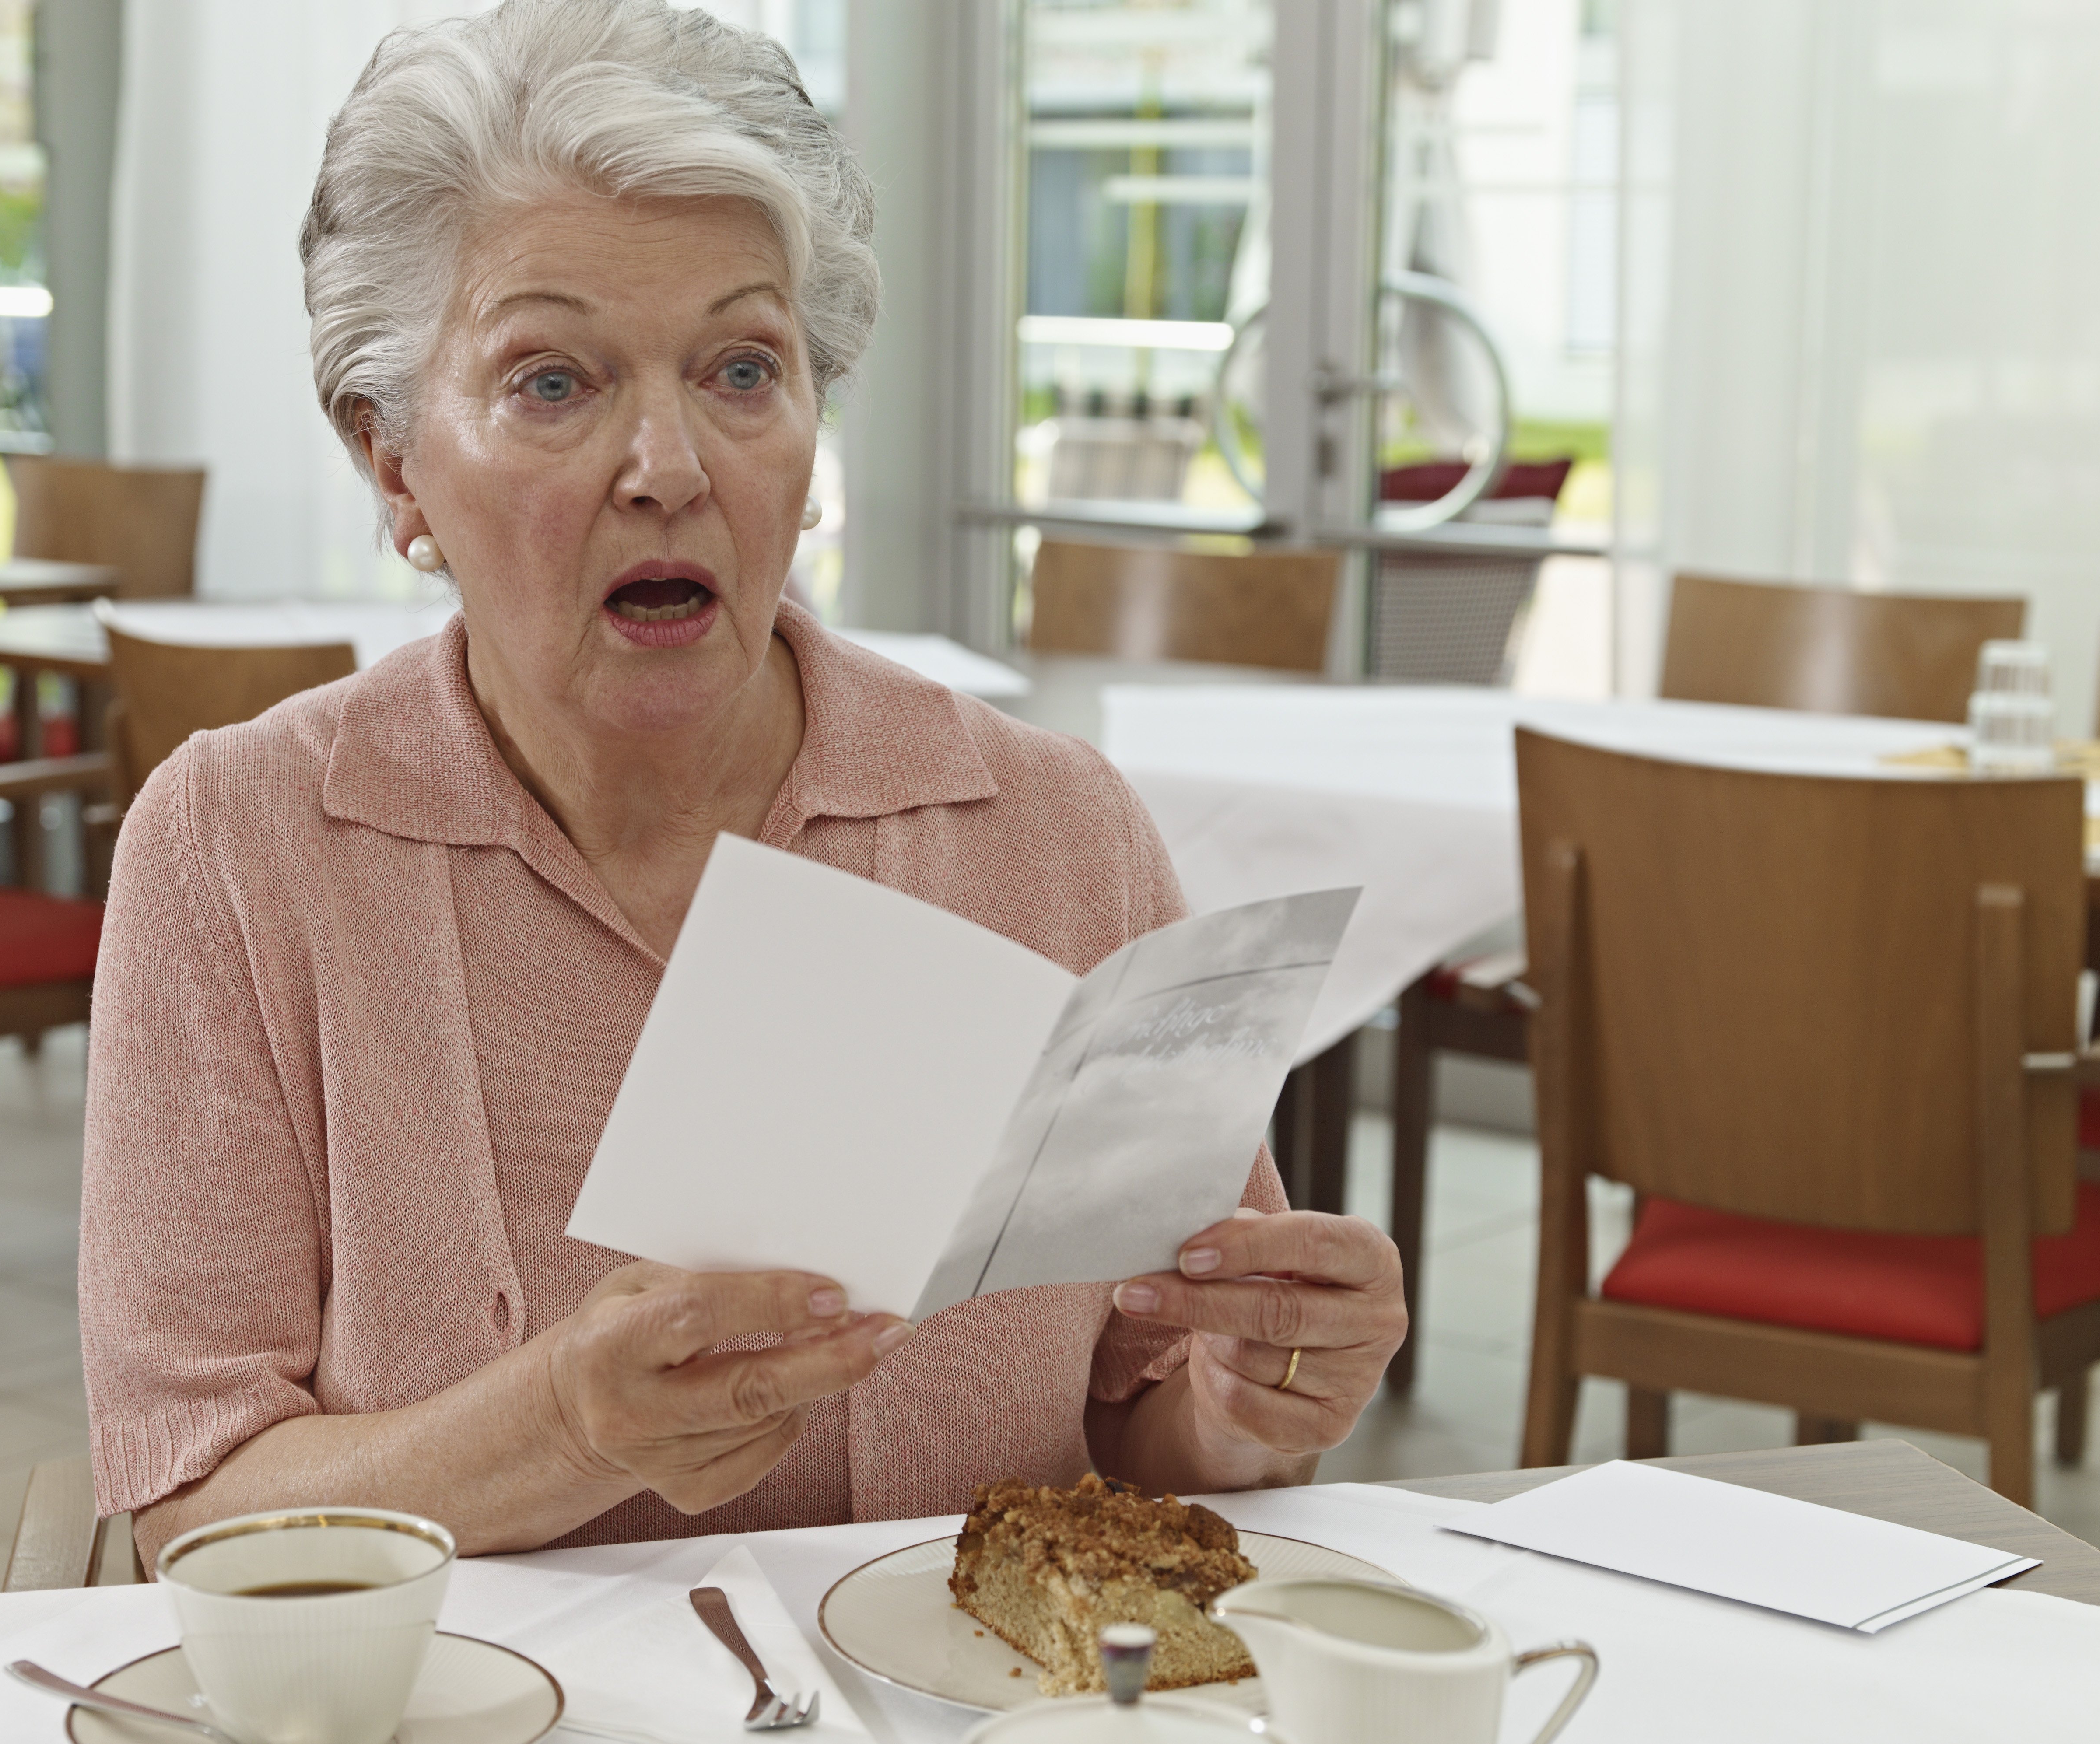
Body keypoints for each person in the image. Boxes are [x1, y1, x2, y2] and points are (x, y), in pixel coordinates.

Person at [79, 0, 1406, 1572]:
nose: (670, 464)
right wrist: (562, 1428)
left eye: (740, 367)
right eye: (552, 381)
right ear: (393, 465)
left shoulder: (1058, 831)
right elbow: (191, 1506)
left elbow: (1141, 1411)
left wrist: (1249, 1406)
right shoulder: (236, 846)